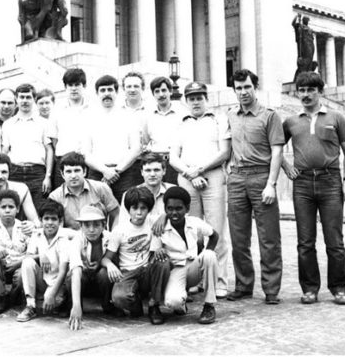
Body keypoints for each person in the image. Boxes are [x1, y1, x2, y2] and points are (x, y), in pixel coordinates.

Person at [282, 71, 345, 305]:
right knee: (305, 241)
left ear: (320, 92)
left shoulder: (336, 117)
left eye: (310, 90)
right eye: (301, 90)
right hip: (302, 183)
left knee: (334, 240)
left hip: (330, 180)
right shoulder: (291, 121)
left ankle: (339, 288)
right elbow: (273, 147)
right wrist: (286, 165)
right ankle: (310, 289)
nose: (305, 95)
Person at [225, 69, 285, 305]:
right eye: (238, 88)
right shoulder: (230, 114)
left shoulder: (270, 116)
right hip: (237, 179)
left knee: (268, 237)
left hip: (262, 178)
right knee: (238, 238)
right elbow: (228, 147)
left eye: (247, 87)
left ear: (255, 88)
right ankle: (243, 285)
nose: (243, 92)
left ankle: (271, 289)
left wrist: (272, 184)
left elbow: (277, 150)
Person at [168, 82, 231, 298]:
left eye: (199, 97)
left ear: (206, 99)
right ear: (186, 101)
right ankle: (194, 278)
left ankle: (219, 281)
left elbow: (224, 152)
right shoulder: (180, 123)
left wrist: (201, 170)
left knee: (216, 229)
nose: (195, 102)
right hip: (187, 178)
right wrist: (190, 174)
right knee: (190, 230)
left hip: (211, 176)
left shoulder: (218, 119)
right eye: (191, 98)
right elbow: (173, 156)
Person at [102, 187, 170, 325]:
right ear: (128, 209)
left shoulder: (153, 222)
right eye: (135, 208)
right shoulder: (120, 230)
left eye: (143, 208)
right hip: (128, 272)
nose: (139, 212)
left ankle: (154, 305)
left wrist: (164, 215)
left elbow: (176, 214)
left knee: (163, 261)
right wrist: (109, 265)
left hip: (147, 269)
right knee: (119, 297)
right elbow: (106, 258)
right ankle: (136, 305)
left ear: (149, 209)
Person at [151, 187, 219, 324]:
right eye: (169, 209)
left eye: (179, 208)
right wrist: (159, 251)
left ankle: (209, 305)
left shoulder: (194, 222)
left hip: (194, 266)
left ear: (187, 208)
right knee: (172, 302)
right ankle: (181, 301)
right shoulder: (160, 227)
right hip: (176, 269)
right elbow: (154, 251)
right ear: (165, 209)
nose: (174, 213)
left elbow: (214, 235)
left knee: (210, 255)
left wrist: (205, 255)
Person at [83, 75, 143, 202]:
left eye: (110, 90)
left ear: (116, 92)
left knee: (126, 210)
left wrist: (116, 170)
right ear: (97, 93)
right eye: (102, 90)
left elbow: (136, 148)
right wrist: (105, 170)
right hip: (97, 173)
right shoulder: (88, 118)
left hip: (124, 173)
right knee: (97, 211)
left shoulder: (129, 116)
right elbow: (86, 153)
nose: (106, 94)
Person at [2, 83, 55, 211]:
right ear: (16, 99)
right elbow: (5, 151)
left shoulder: (44, 123)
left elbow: (49, 150)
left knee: (38, 210)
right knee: (15, 210)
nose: (25, 101)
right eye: (22, 97)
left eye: (28, 97)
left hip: (37, 173)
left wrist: (47, 177)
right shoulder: (8, 124)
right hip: (15, 172)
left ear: (33, 99)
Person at [67, 204, 119, 331]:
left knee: (105, 273)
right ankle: (75, 306)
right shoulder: (76, 240)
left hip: (102, 282)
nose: (91, 230)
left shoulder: (111, 238)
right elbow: (76, 270)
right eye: (87, 225)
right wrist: (76, 305)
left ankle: (107, 304)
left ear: (103, 225)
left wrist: (106, 264)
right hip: (84, 280)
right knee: (71, 277)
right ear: (81, 227)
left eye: (96, 225)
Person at [17, 200, 71, 322]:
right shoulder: (37, 234)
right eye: (46, 219)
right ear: (41, 220)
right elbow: (28, 257)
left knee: (54, 304)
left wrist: (51, 293)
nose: (50, 223)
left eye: (54, 219)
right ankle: (30, 305)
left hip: (58, 282)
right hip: (43, 278)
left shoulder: (64, 237)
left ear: (60, 221)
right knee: (27, 263)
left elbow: (63, 271)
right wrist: (42, 256)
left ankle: (63, 301)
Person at [0, 189, 29, 314]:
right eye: (3, 207)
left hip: (20, 266)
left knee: (23, 273)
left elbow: (32, 254)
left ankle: (14, 295)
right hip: (2, 268)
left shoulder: (24, 227)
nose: (7, 210)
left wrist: (19, 264)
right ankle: (2, 296)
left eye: (11, 207)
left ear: (17, 209)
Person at [48, 151, 120, 230]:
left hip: (98, 237)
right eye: (68, 171)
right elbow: (55, 225)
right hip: (71, 239)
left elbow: (116, 214)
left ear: (85, 171)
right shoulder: (55, 197)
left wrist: (113, 233)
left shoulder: (100, 188)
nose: (73, 176)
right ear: (62, 174)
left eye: (77, 170)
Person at [0, 153, 39, 231]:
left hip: (17, 236)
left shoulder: (21, 189)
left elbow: (35, 220)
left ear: (9, 173)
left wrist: (33, 225)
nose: (0, 176)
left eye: (4, 172)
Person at [51, 68, 90, 189]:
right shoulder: (57, 110)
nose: (73, 88)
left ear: (84, 85)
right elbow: (54, 139)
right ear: (65, 87)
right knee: (62, 198)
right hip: (63, 161)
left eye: (77, 85)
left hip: (87, 161)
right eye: (70, 85)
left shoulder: (93, 108)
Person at [142, 76, 184, 184]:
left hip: (176, 163)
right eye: (157, 91)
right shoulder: (148, 116)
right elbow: (146, 140)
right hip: (156, 164)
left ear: (170, 91)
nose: (161, 94)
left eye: (164, 90)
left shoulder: (182, 113)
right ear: (153, 94)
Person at [118, 153, 174, 228]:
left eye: (156, 170)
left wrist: (166, 215)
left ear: (164, 171)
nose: (152, 174)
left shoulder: (173, 191)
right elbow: (124, 224)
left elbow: (183, 217)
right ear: (142, 172)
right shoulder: (130, 194)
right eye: (148, 170)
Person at [292, 13, 317, 80]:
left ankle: (307, 76)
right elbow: (293, 23)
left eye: (308, 20)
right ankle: (300, 77)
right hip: (304, 47)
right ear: (304, 20)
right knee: (303, 63)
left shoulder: (310, 29)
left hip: (310, 47)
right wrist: (297, 16)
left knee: (309, 62)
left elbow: (312, 39)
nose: (307, 22)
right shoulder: (300, 27)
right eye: (306, 20)